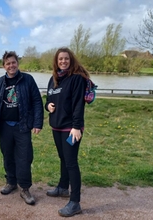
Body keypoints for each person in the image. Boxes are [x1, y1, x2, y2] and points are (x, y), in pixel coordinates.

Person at [0, 51, 44, 205]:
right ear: (3, 66)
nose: (11, 65)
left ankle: (24, 188)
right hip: (5, 126)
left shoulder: (28, 80)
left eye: (13, 62)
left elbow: (37, 101)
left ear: (17, 63)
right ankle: (11, 182)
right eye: (8, 63)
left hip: (22, 125)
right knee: (8, 155)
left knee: (24, 157)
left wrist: (38, 123)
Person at [45, 47, 90, 217]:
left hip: (71, 128)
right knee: (63, 158)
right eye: (60, 59)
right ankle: (63, 187)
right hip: (56, 127)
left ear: (71, 60)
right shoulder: (54, 79)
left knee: (71, 162)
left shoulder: (77, 79)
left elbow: (79, 104)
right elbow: (49, 98)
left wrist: (77, 127)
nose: (63, 61)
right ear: (56, 62)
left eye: (66, 59)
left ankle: (75, 202)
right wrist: (47, 106)